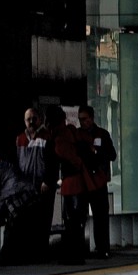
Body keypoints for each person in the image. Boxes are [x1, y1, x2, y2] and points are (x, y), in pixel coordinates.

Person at [45, 105, 90, 264]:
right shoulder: (71, 132)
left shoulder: (60, 138)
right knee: (76, 219)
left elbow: (71, 159)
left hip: (71, 182)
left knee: (71, 219)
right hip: (78, 181)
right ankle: (76, 253)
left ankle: (74, 254)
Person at [11, 106, 56, 263]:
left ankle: (41, 253)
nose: (31, 122)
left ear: (40, 119)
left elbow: (52, 163)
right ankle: (28, 253)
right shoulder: (19, 139)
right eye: (28, 119)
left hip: (41, 186)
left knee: (42, 221)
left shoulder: (46, 138)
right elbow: (16, 163)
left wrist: (48, 181)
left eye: (34, 118)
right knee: (27, 220)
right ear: (24, 121)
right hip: (25, 187)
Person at [76, 105, 117, 259]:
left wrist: (97, 152)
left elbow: (112, 155)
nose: (82, 122)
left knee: (101, 216)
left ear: (92, 119)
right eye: (80, 120)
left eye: (85, 119)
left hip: (98, 180)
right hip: (83, 181)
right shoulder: (78, 135)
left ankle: (103, 248)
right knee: (80, 216)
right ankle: (82, 248)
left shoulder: (102, 134)